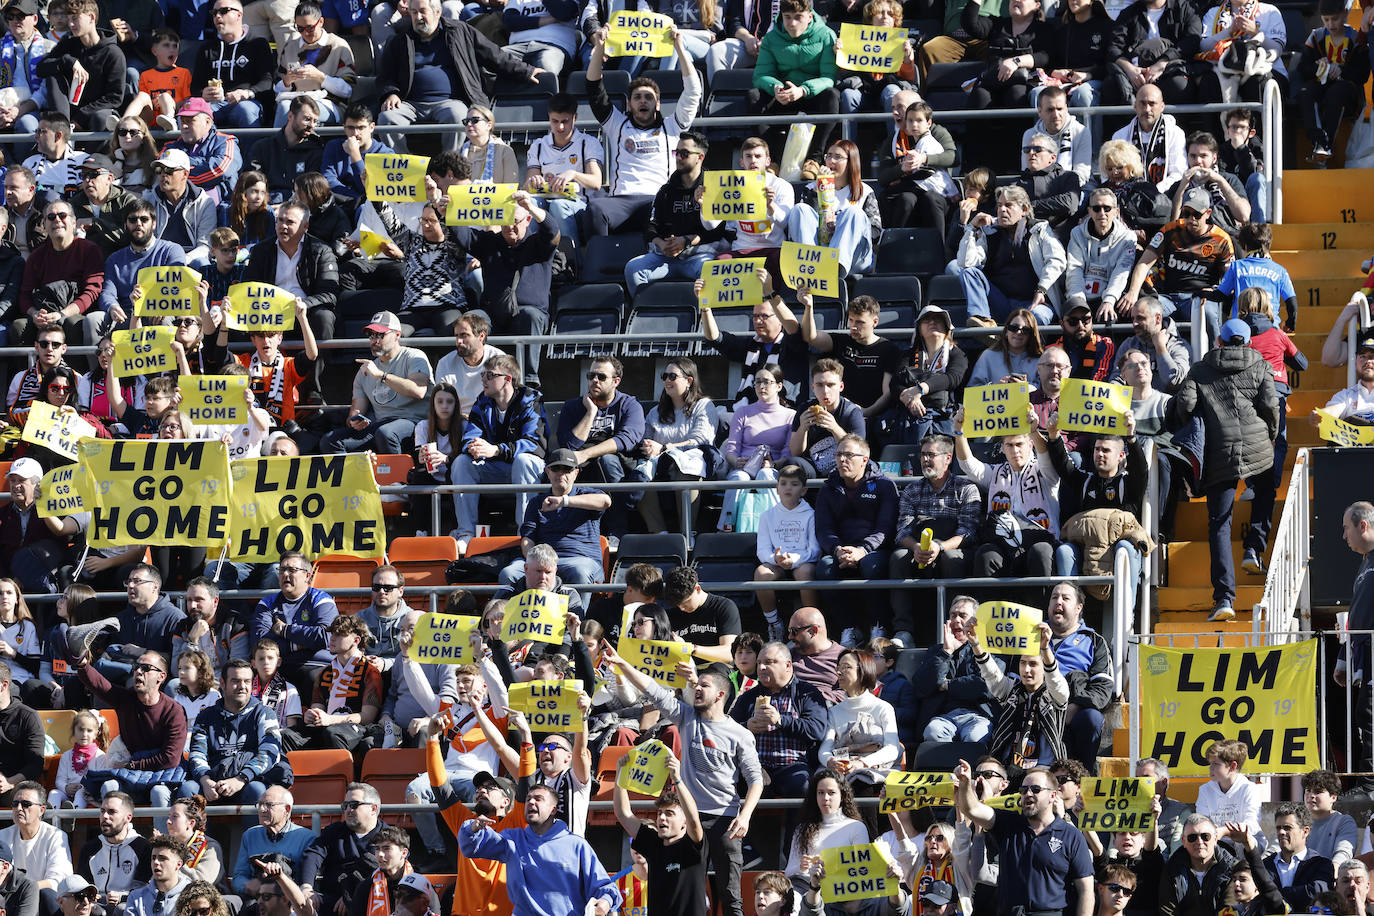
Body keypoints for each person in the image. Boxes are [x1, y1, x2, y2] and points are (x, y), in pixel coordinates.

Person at [1168, 318, 1277, 621]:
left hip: (1219, 452)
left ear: (1219, 341)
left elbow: (1186, 404)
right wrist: (1270, 432)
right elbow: (1270, 404)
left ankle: (1224, 598)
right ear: (1247, 341)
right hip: (1257, 445)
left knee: (1219, 523)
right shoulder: (1260, 363)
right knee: (1266, 489)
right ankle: (1254, 547)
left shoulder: (1201, 368)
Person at [375, 0, 542, 153]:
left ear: (438, 12)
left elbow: (494, 55)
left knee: (459, 117)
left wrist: (526, 71)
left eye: (422, 11)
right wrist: (390, 93)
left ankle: (451, 167)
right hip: (410, 103)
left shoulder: (460, 31)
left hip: (450, 102)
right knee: (387, 118)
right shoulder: (400, 40)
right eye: (413, 12)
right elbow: (385, 74)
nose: (418, 17)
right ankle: (406, 167)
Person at [585, 24, 700, 236]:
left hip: (657, 200)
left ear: (658, 105)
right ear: (629, 105)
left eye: (649, 97)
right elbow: (593, 87)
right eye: (637, 97)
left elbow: (693, 92)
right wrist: (600, 47)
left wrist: (679, 47)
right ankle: (596, 264)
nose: (643, 101)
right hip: (621, 202)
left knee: (673, 213)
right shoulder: (617, 124)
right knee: (595, 209)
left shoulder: (672, 126)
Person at [954, 760, 1093, 916]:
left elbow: (1086, 890)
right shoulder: (1008, 823)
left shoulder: (1071, 835)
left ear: (1052, 795)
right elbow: (972, 809)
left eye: (1035, 789)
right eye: (1023, 790)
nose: (1028, 794)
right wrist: (965, 783)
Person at [457, 784, 622, 916]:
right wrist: (472, 828)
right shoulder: (512, 839)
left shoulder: (577, 845)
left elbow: (604, 887)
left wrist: (604, 902)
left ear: (553, 809)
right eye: (528, 799)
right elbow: (472, 847)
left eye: (538, 799)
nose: (531, 802)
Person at [458, 189, 559, 386]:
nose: (509, 227)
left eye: (515, 221)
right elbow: (464, 236)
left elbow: (552, 230)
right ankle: (476, 378)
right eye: (504, 221)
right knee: (472, 320)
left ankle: (528, 383)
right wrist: (445, 210)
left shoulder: (538, 244)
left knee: (529, 316)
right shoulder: (491, 243)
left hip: (528, 315)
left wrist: (530, 205)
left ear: (528, 220)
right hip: (495, 316)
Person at [953, 404, 1060, 579]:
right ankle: (987, 606)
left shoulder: (1046, 472)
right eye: (1009, 445)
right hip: (1002, 542)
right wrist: (959, 433)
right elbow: (968, 465)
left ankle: (1043, 606)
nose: (1015, 450)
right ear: (1002, 448)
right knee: (986, 554)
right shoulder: (996, 473)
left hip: (1038, 540)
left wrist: (1034, 430)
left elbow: (1046, 456)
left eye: (1019, 444)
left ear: (1030, 445)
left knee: (1041, 552)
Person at [1119, 188, 1235, 341]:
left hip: (1199, 298)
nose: (1191, 219)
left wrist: (1214, 290)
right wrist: (1133, 293)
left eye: (1196, 214)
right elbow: (1144, 263)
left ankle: (1214, 354)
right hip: (1168, 298)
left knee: (1207, 313)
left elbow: (1230, 279)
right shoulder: (1170, 230)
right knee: (1144, 312)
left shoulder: (1221, 239)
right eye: (1186, 213)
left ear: (1208, 213)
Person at [815, 434, 898, 645]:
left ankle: (879, 626)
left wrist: (863, 550)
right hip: (840, 550)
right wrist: (837, 549)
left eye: (849, 455)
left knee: (871, 565)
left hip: (875, 550)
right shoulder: (828, 489)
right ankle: (848, 629)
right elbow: (824, 529)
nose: (842, 460)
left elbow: (886, 528)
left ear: (865, 459)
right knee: (824, 567)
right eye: (839, 454)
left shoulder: (884, 486)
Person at [625, 131, 728, 293]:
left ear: (700, 157)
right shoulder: (666, 190)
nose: (678, 157)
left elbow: (720, 231)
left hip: (701, 256)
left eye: (684, 153)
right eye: (677, 152)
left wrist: (686, 240)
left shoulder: (715, 187)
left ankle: (706, 317)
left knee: (712, 271)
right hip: (666, 256)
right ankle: (648, 315)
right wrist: (661, 243)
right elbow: (652, 226)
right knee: (633, 268)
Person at [321, 311, 433, 454]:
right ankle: (356, 476)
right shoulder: (365, 372)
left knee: (386, 433)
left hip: (416, 422)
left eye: (381, 335)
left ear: (397, 335)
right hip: (382, 426)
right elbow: (355, 412)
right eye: (371, 335)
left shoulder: (413, 356)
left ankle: (397, 476)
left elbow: (418, 390)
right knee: (330, 441)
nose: (375, 340)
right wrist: (354, 422)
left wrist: (381, 375)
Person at [956, 185, 1065, 328]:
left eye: (1008, 205)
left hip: (1034, 303)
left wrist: (1041, 289)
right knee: (969, 272)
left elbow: (1057, 260)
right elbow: (965, 263)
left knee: (1037, 317)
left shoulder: (1039, 229)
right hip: (1001, 303)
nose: (1002, 210)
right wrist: (971, 228)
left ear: (1024, 210)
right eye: (999, 205)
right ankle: (983, 320)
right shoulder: (990, 231)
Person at [183, 658, 287, 806]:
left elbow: (270, 752)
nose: (242, 686)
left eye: (247, 681)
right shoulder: (205, 716)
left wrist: (240, 779)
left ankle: (256, 831)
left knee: (257, 790)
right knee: (188, 789)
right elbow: (197, 753)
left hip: (248, 781)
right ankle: (196, 830)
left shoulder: (264, 713)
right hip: (212, 781)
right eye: (236, 681)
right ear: (223, 684)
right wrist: (205, 781)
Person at [612, 755, 707, 916]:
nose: (662, 818)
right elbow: (623, 813)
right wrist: (620, 774)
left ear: (683, 821)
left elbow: (693, 819)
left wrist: (677, 779)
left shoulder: (692, 845)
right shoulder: (653, 842)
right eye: (660, 813)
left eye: (669, 813)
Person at [730, 642, 828, 797]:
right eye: (759, 663)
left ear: (788, 665)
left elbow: (817, 730)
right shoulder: (749, 697)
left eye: (769, 662)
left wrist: (781, 720)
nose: (761, 668)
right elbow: (728, 730)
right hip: (756, 764)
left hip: (793, 764)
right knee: (743, 785)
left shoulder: (807, 693)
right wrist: (747, 727)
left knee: (803, 785)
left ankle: (799, 823)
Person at [633, 357, 716, 535]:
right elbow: (647, 440)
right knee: (640, 477)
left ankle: (687, 534)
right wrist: (648, 447)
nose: (667, 381)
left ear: (689, 380)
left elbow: (700, 440)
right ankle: (659, 533)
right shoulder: (655, 412)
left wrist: (664, 448)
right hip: (660, 465)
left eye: (672, 376)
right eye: (665, 376)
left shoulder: (703, 406)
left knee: (686, 473)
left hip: (693, 463)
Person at [749, 0, 837, 162]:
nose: (792, 23)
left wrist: (803, 90)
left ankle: (814, 160)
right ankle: (771, 161)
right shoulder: (771, 38)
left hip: (812, 95)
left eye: (798, 17)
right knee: (754, 96)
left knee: (832, 95)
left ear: (810, 16)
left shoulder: (826, 35)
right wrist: (775, 87)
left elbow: (828, 77)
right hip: (783, 95)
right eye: (787, 17)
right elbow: (761, 75)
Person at [972, 619, 1067, 767]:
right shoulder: (1012, 689)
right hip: (1006, 766)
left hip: (1045, 769)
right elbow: (991, 673)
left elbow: (1055, 679)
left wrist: (1045, 650)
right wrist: (976, 644)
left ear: (1045, 667)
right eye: (1023, 663)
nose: (1026, 669)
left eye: (1033, 664)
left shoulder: (1055, 694)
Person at [701, 273, 806, 407]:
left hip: (785, 413)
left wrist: (770, 293)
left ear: (780, 320)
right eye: (755, 316)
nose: (758, 321)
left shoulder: (791, 345)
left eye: (764, 316)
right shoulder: (751, 346)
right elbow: (715, 338)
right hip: (748, 412)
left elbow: (793, 328)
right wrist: (705, 306)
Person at [522, 93, 604, 265]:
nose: (560, 127)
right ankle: (530, 263)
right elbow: (527, 187)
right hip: (547, 201)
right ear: (549, 118)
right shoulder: (538, 146)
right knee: (530, 203)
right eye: (555, 121)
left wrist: (573, 174)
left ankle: (572, 264)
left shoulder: (588, 143)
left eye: (565, 121)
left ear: (575, 118)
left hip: (579, 205)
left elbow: (596, 182)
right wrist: (534, 181)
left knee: (559, 206)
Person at [15, 200, 105, 349]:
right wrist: (35, 314)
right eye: (50, 217)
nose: (57, 220)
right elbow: (24, 295)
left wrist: (62, 314)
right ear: (44, 224)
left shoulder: (89, 250)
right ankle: (28, 372)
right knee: (19, 326)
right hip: (44, 314)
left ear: (73, 221)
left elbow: (92, 291)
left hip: (75, 313)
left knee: (71, 324)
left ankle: (75, 373)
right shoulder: (36, 256)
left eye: (62, 215)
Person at [785, 139, 882, 277]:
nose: (831, 161)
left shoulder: (864, 191)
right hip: (819, 255)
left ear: (851, 162)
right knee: (800, 209)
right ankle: (809, 268)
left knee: (853, 213)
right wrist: (818, 190)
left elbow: (876, 232)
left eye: (838, 157)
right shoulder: (811, 189)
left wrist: (844, 228)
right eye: (829, 156)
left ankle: (836, 271)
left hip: (854, 256)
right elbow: (800, 226)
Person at [912, 596, 1000, 743]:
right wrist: (946, 653)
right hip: (943, 716)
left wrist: (947, 685)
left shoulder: (988, 650)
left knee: (975, 737)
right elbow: (921, 687)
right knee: (933, 732)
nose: (956, 620)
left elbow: (986, 685)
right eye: (953, 615)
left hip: (978, 716)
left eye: (962, 616)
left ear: (975, 622)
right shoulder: (937, 652)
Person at [801, 292, 900, 423]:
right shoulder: (841, 341)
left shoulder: (888, 349)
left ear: (875, 322)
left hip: (872, 419)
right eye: (851, 320)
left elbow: (887, 393)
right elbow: (810, 337)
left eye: (860, 322)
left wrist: (863, 412)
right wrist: (809, 307)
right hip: (839, 415)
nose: (853, 326)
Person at [1297, 0, 1369, 165]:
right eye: (1326, 19)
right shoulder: (1316, 36)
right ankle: (1319, 142)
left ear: (1345, 13)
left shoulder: (1356, 38)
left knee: (1337, 91)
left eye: (1335, 19)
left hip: (1347, 93)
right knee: (1305, 92)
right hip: (1320, 86)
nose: (1331, 24)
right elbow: (1302, 68)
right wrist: (1317, 66)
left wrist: (1342, 71)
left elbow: (1363, 74)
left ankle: (1325, 144)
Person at [36, 0, 123, 131]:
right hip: (67, 114)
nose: (70, 24)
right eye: (69, 19)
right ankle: (62, 131)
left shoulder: (113, 53)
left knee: (101, 118)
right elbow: (41, 68)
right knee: (53, 76)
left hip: (95, 113)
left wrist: (81, 116)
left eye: (75, 19)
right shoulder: (69, 42)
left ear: (91, 18)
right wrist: (69, 61)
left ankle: (90, 152)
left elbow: (114, 98)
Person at [298, 783, 384, 916]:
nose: (348, 810)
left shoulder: (389, 837)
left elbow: (389, 874)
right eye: (345, 805)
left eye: (354, 805)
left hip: (372, 901)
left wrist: (353, 896)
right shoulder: (334, 831)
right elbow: (313, 854)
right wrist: (306, 887)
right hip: (331, 901)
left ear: (373, 809)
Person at [818, 649, 899, 788]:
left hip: (876, 769)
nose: (839, 672)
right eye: (838, 667)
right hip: (842, 768)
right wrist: (830, 761)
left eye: (846, 667)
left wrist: (862, 763)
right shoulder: (834, 712)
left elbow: (892, 748)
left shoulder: (883, 708)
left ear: (863, 670)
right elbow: (825, 748)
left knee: (862, 781)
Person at [754, 467, 820, 639]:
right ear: (777, 488)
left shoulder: (811, 515)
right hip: (777, 563)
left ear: (803, 490)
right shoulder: (767, 516)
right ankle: (774, 624)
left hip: (801, 562)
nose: (788, 488)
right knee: (761, 573)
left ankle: (811, 626)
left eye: (794, 484)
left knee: (806, 572)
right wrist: (775, 559)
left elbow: (814, 550)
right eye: (783, 483)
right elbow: (762, 549)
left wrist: (794, 560)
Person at [878, 101, 958, 236]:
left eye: (919, 120)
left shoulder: (929, 141)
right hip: (923, 185)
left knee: (890, 194)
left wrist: (923, 159)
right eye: (910, 120)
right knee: (895, 197)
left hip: (937, 189)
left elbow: (931, 170)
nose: (914, 125)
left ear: (928, 123)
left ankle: (938, 248)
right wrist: (901, 170)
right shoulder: (895, 139)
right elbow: (883, 175)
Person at [188, 0, 272, 128]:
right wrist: (203, 93)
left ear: (239, 15)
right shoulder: (206, 48)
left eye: (223, 11)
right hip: (214, 105)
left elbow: (267, 82)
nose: (217, 16)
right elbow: (195, 86)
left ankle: (252, 149)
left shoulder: (258, 44)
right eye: (214, 12)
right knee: (192, 114)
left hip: (247, 102)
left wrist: (247, 93)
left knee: (246, 111)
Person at [271, 2, 354, 128]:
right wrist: (287, 82)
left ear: (321, 22)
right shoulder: (290, 47)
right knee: (286, 107)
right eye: (300, 28)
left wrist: (321, 77)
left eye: (310, 28)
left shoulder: (339, 46)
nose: (305, 33)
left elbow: (348, 90)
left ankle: (279, 146)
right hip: (294, 100)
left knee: (293, 111)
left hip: (329, 104)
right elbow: (277, 89)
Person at [1104, 0, 1199, 105]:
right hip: (1135, 71)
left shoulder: (1185, 9)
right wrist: (1129, 69)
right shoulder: (1129, 13)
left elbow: (1191, 41)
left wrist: (1162, 63)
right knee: (1112, 85)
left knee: (1179, 85)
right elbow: (1114, 47)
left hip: (1170, 69)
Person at [1065, 188, 1137, 323]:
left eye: (1107, 208)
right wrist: (1079, 302)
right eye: (1096, 208)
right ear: (1089, 211)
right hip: (1081, 295)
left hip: (1109, 295)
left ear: (1116, 212)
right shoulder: (1077, 233)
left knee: (1108, 317)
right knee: (1073, 320)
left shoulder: (1128, 237)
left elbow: (1121, 272)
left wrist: (1109, 300)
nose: (1102, 213)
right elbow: (1074, 269)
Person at [788, 359, 866, 479]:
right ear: (813, 387)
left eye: (830, 385)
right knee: (793, 463)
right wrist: (803, 428)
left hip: (842, 466)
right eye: (819, 385)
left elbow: (858, 453)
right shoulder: (805, 409)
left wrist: (834, 428)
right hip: (812, 466)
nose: (825, 391)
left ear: (841, 386)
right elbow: (795, 452)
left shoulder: (852, 412)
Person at [230, 785, 313, 896]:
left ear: (287, 809)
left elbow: (306, 883)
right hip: (256, 899)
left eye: (269, 805)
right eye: (259, 804)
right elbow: (238, 877)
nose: (262, 809)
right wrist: (248, 886)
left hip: (288, 902)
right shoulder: (250, 835)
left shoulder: (307, 838)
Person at [76, 792, 151, 914]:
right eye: (102, 811)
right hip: (96, 906)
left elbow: (144, 890)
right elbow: (82, 886)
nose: (105, 816)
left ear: (128, 817)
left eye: (112, 812)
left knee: (122, 909)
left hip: (128, 905)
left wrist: (121, 897)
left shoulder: (143, 847)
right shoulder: (90, 848)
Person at [1168, 132, 1251, 238]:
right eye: (1193, 156)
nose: (1198, 161)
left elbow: (1244, 216)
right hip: (1190, 241)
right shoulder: (1179, 185)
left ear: (1214, 158)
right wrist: (1181, 188)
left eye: (1203, 156)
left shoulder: (1229, 180)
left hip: (1226, 238)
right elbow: (1172, 225)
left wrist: (1220, 181)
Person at [162, 98, 241, 205]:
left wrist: (180, 172)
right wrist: (204, 162)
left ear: (207, 122)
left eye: (190, 121)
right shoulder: (171, 146)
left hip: (220, 209)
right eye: (182, 121)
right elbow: (162, 171)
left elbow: (220, 170)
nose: (184, 126)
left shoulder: (226, 141)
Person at [1158, 814, 1241, 916]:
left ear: (1215, 839)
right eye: (1192, 838)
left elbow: (1229, 910)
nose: (1199, 842)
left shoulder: (1231, 868)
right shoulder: (1172, 869)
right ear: (1184, 842)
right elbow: (1167, 912)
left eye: (1205, 836)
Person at [1110, 85, 1187, 193]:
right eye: (1142, 103)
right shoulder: (1119, 136)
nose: (1147, 109)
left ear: (1162, 106)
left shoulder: (1175, 133)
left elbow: (1178, 173)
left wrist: (1154, 191)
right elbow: (1113, 174)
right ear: (1135, 106)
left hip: (1165, 196)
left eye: (1152, 103)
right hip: (1129, 197)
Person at [246, 97, 323, 203]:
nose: (311, 125)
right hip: (264, 207)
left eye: (315, 121)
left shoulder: (315, 151)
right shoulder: (262, 147)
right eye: (307, 119)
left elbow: (311, 191)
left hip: (298, 210)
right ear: (291, 116)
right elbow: (251, 183)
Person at [1263, 802, 1335, 911]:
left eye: (1287, 827)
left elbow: (1317, 893)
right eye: (1278, 828)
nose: (1281, 832)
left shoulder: (1321, 865)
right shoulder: (1266, 865)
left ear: (1305, 831)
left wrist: (1274, 895)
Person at [1112, 297, 1192, 393]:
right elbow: (1117, 378)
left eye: (1140, 318)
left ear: (1158, 319)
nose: (1134, 323)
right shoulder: (1129, 345)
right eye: (1133, 319)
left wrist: (1160, 347)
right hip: (1133, 405)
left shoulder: (1178, 346)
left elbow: (1175, 381)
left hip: (1167, 406)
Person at [433, 314, 504, 418]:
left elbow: (507, 400)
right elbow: (442, 402)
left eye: (464, 335)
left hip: (491, 419)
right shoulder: (445, 363)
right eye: (456, 336)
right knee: (423, 426)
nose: (458, 341)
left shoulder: (499, 360)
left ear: (481, 336)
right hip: (456, 420)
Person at [72, 155, 142, 259]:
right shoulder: (74, 204)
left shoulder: (126, 202)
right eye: (83, 175)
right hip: (85, 264)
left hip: (121, 263)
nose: (87, 179)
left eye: (93, 174)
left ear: (109, 178)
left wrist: (95, 222)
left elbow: (134, 237)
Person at [0, 0, 52, 137]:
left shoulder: (49, 48)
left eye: (20, 16)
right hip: (3, 107)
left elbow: (46, 89)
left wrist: (19, 110)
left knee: (27, 125)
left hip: (34, 108)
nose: (15, 20)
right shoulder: (0, 47)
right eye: (11, 17)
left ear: (35, 19)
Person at [1015, 132, 1084, 233]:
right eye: (1027, 150)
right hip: (1026, 239)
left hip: (1059, 238)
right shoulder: (1016, 183)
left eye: (1037, 149)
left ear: (1052, 157)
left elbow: (1069, 204)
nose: (1031, 153)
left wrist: (1030, 206)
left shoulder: (1068, 177)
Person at [1195, 739, 1264, 840]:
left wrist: (1224, 831)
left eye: (1215, 764)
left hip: (1244, 845)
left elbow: (1252, 825)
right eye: (1210, 763)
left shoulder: (1249, 789)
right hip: (1216, 844)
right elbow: (1200, 821)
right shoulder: (1205, 790)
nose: (1210, 768)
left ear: (1232, 766)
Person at [1023, 88, 1093, 182]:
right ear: (1040, 112)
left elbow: (1082, 174)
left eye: (1060, 109)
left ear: (1066, 109)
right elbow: (1027, 171)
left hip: (1075, 186)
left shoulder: (1081, 131)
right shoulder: (1030, 135)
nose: (1056, 115)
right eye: (1050, 110)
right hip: (1038, 185)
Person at [967, 308, 1043, 389]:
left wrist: (1025, 388)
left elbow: (1047, 392)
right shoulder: (988, 356)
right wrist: (995, 388)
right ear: (1006, 331)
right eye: (1014, 328)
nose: (1018, 332)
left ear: (1031, 334)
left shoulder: (1041, 360)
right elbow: (972, 390)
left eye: (1025, 330)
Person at [0, 666, 41, 806]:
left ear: (4, 685)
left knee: (20, 798)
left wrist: (9, 782)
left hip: (16, 785)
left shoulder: (28, 716)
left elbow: (35, 764)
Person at [1304, 769, 1360, 866]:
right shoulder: (1296, 820)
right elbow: (1278, 848)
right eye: (1308, 790)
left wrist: (1333, 871)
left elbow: (1343, 853)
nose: (1311, 795)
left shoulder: (1344, 822)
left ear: (1333, 797)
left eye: (1318, 791)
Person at [124, 837, 192, 916]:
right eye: (153, 858)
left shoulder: (192, 897)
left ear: (178, 864)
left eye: (162, 858)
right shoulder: (136, 898)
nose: (155, 862)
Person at [787, 608, 842, 704]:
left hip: (828, 710)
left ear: (813, 631)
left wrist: (812, 698)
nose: (790, 637)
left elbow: (851, 691)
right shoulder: (788, 656)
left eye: (794, 631)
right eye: (789, 631)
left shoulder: (844, 657)